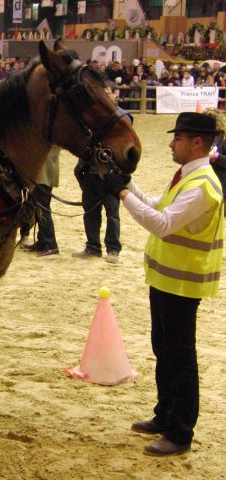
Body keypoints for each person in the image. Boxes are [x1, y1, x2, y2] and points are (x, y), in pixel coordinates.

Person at [117, 112, 223, 456]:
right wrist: (128, 183)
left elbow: (162, 224)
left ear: (196, 143)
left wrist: (122, 195)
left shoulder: (203, 185)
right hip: (167, 276)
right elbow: (159, 206)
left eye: (177, 138)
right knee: (163, 348)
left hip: (183, 281)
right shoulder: (187, 177)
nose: (170, 143)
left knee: (180, 356)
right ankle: (165, 415)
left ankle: (180, 432)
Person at [72, 82, 124, 264]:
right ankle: (93, 246)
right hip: (90, 172)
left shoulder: (121, 117)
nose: (105, 96)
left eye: (108, 93)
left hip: (110, 174)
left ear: (114, 94)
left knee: (112, 212)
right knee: (90, 212)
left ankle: (113, 249)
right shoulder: (92, 117)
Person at [19, 147, 61, 256]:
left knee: (43, 209)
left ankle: (50, 244)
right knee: (39, 208)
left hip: (43, 174)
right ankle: (42, 241)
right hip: (46, 173)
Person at [202, 107, 226, 205]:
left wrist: (215, 156)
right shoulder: (202, 137)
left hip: (222, 182)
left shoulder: (224, 138)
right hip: (205, 181)